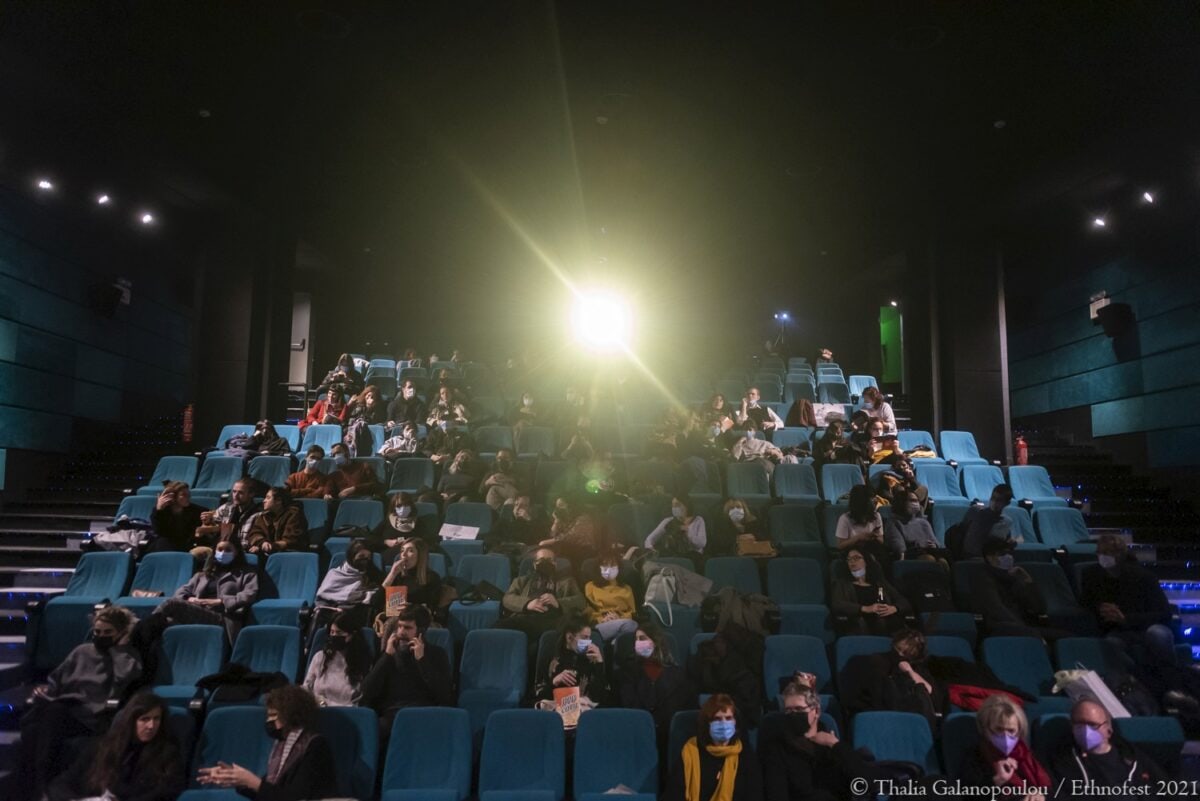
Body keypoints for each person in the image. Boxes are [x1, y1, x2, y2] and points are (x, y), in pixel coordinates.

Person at [17, 606, 142, 798]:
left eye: (108, 632)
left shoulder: (127, 656)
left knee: (49, 717)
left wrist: (119, 649)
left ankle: (40, 791)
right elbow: (56, 680)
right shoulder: (82, 651)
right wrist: (45, 690)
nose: (101, 636)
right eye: (97, 632)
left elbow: (125, 676)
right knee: (34, 728)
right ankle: (38, 790)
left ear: (122, 633)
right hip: (65, 709)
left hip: (93, 716)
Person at [197, 685, 338, 800]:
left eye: (273, 716)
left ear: (292, 715)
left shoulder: (315, 746)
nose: (268, 722)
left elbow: (295, 798)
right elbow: (269, 793)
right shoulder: (281, 746)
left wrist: (254, 782)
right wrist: (236, 779)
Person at [45, 690, 185, 801]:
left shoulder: (167, 752)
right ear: (131, 720)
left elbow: (166, 791)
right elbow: (62, 783)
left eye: (156, 719)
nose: (151, 726)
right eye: (145, 719)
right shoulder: (103, 747)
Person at [761, 682, 874, 801]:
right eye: (788, 710)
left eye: (799, 709)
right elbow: (777, 794)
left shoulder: (831, 744)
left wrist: (835, 745)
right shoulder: (777, 746)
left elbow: (866, 781)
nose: (793, 714)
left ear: (816, 711)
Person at [1079, 533, 1175, 665]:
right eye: (1100, 552)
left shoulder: (1144, 577)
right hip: (1118, 630)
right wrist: (1101, 608)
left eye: (1108, 552)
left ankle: (1170, 679)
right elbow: (1085, 601)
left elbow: (1164, 614)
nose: (1102, 557)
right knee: (1111, 643)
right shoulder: (1091, 575)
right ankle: (1135, 678)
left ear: (1120, 555)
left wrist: (1125, 618)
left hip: (1147, 626)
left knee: (1157, 634)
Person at [360, 605, 454, 737]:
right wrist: (386, 657)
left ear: (421, 631)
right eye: (399, 626)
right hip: (392, 716)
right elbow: (366, 692)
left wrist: (422, 660)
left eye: (407, 628)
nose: (401, 632)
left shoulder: (437, 654)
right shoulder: (388, 654)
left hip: (424, 715)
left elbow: (444, 695)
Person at [1047, 699, 1167, 799]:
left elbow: (1166, 788)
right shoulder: (1063, 760)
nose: (1085, 730)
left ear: (1108, 730)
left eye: (1092, 724)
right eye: (1079, 724)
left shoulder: (1131, 755)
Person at [154, 533, 258, 642]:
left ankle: (140, 630)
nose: (223, 553)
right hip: (198, 610)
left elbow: (249, 595)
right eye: (220, 549)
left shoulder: (247, 573)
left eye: (228, 550)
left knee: (170, 604)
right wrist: (189, 599)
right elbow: (181, 591)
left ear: (236, 552)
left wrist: (221, 601)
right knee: (167, 622)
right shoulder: (204, 574)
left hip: (222, 617)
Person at [664, 693, 763, 801]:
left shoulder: (746, 754)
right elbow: (673, 794)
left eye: (728, 718)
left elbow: (754, 795)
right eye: (717, 719)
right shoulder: (691, 750)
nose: (724, 724)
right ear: (707, 723)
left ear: (735, 722)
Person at [837, 627, 945, 725]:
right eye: (898, 649)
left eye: (907, 653)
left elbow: (930, 692)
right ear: (893, 644)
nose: (900, 655)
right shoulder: (876, 662)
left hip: (910, 717)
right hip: (880, 716)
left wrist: (909, 671)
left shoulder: (918, 669)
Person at [956, 694, 1050, 800]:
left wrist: (1042, 796)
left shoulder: (1030, 756)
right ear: (986, 729)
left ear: (1019, 731)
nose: (1005, 737)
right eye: (999, 729)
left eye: (1011, 731)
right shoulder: (975, 757)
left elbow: (1056, 791)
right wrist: (997, 780)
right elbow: (969, 797)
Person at [613, 626, 695, 747]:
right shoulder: (627, 673)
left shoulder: (678, 674)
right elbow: (628, 704)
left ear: (655, 642)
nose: (637, 643)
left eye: (642, 638)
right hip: (638, 735)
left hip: (669, 737)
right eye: (636, 639)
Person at [976, 537, 1067, 640]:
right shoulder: (983, 578)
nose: (1009, 557)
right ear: (990, 558)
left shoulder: (1014, 577)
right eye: (1003, 554)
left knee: (1067, 638)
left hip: (1026, 628)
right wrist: (1026, 630)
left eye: (1010, 553)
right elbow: (997, 610)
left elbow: (1039, 609)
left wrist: (1028, 582)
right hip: (1001, 629)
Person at [496, 546, 586, 643]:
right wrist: (527, 604)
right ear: (535, 564)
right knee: (497, 626)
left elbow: (581, 601)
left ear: (555, 564)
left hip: (554, 620)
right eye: (541, 560)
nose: (545, 563)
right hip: (526, 618)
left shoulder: (568, 581)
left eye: (549, 560)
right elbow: (507, 598)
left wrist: (558, 603)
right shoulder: (521, 581)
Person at [534, 615, 609, 708]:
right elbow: (539, 693)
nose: (588, 642)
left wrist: (599, 664)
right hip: (556, 707)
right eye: (584, 638)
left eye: (589, 638)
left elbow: (601, 697)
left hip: (583, 708)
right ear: (569, 637)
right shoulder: (551, 656)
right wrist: (554, 681)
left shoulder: (591, 658)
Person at [830, 548, 909, 635]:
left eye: (856, 558)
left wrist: (893, 608)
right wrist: (865, 609)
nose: (852, 562)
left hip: (887, 623)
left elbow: (903, 601)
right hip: (859, 625)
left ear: (866, 561)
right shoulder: (842, 583)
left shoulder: (879, 582)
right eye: (849, 559)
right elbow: (837, 604)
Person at [303, 610, 373, 707]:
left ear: (351, 635)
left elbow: (359, 699)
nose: (334, 636)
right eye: (332, 632)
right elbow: (306, 688)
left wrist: (328, 704)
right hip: (318, 710)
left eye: (339, 633)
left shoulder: (362, 660)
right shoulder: (320, 657)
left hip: (348, 714)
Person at [314, 538, 382, 619]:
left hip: (357, 617)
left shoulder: (373, 573)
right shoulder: (334, 574)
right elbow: (322, 597)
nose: (365, 560)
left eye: (369, 556)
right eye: (361, 556)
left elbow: (377, 596)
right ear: (351, 557)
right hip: (330, 615)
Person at [194, 478, 261, 558]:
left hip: (243, 550)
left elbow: (259, 536)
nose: (235, 495)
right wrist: (207, 522)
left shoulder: (258, 514)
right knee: (195, 553)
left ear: (251, 494)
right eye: (234, 491)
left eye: (240, 493)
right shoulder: (226, 508)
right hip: (221, 547)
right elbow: (211, 531)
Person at [381, 536, 445, 613]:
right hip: (396, 619)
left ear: (420, 555)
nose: (403, 554)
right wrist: (392, 574)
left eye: (410, 551)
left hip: (418, 621)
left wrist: (411, 608)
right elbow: (376, 602)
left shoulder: (432, 577)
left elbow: (432, 609)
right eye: (402, 550)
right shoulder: (397, 576)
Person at [584, 550, 638, 641]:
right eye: (605, 565)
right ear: (598, 567)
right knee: (630, 626)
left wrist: (619, 618)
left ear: (619, 567)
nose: (609, 569)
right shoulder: (590, 586)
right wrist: (602, 619)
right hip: (600, 623)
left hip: (622, 621)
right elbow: (588, 610)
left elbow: (632, 612)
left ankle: (616, 643)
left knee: (631, 625)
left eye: (613, 565)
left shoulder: (626, 588)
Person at [882, 486, 942, 561]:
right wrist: (920, 546)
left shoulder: (923, 522)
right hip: (910, 557)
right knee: (929, 559)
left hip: (931, 553)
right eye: (912, 501)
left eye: (917, 501)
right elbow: (900, 549)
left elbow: (937, 543)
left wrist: (934, 545)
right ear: (901, 503)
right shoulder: (893, 523)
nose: (916, 504)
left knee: (942, 561)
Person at [245, 486, 308, 555]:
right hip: (270, 552)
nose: (264, 500)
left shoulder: (294, 515)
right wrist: (262, 543)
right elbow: (254, 533)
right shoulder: (264, 516)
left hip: (290, 554)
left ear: (278, 501)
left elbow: (291, 540)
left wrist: (271, 546)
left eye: (268, 498)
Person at [834, 485, 888, 566]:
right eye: (872, 498)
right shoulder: (845, 519)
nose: (876, 500)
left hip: (872, 549)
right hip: (851, 552)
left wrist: (874, 537)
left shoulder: (877, 516)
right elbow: (840, 545)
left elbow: (881, 540)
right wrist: (858, 538)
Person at [540, 496, 602, 564]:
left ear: (571, 505)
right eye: (557, 507)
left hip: (584, 549)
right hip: (568, 548)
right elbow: (552, 534)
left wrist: (548, 542)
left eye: (561, 505)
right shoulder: (564, 519)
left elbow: (571, 537)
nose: (558, 509)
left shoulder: (583, 518)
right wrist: (556, 521)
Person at [644, 496, 707, 563]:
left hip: (694, 558)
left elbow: (701, 543)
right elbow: (650, 539)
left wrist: (688, 534)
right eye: (673, 505)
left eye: (677, 505)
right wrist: (650, 548)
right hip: (674, 557)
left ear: (686, 506)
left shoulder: (698, 520)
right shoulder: (668, 521)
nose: (674, 508)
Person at [961, 484, 1016, 558]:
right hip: (972, 556)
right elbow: (962, 530)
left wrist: (1010, 543)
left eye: (999, 500)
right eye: (993, 498)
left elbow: (1005, 542)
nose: (995, 502)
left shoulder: (1006, 522)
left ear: (1007, 503)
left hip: (993, 558)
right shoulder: (976, 511)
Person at [148, 480, 203, 553]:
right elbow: (158, 531)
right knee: (163, 542)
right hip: (167, 545)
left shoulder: (195, 510)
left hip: (187, 545)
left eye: (188, 494)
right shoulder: (161, 511)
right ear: (173, 497)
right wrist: (159, 510)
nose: (188, 497)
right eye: (184, 494)